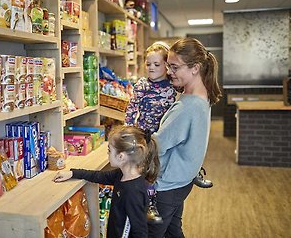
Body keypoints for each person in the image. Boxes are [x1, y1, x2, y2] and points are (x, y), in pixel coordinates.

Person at [148, 37, 222, 238]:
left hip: (166, 186)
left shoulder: (186, 107)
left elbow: (157, 146)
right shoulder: (202, 96)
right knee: (173, 231)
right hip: (182, 181)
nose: (168, 72)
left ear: (195, 68)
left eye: (174, 67)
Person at [54, 125, 160, 238]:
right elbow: (99, 176)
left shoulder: (133, 192)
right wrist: (73, 173)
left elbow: (140, 231)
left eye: (109, 150)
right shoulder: (122, 174)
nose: (107, 154)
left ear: (121, 156)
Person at [124, 41, 176, 224]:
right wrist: (128, 132)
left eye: (157, 64)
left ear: (166, 66)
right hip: (145, 136)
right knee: (147, 170)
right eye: (148, 64)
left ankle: (159, 199)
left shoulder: (173, 86)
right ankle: (149, 204)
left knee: (161, 168)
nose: (151, 68)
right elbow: (131, 109)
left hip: (165, 136)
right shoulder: (142, 85)